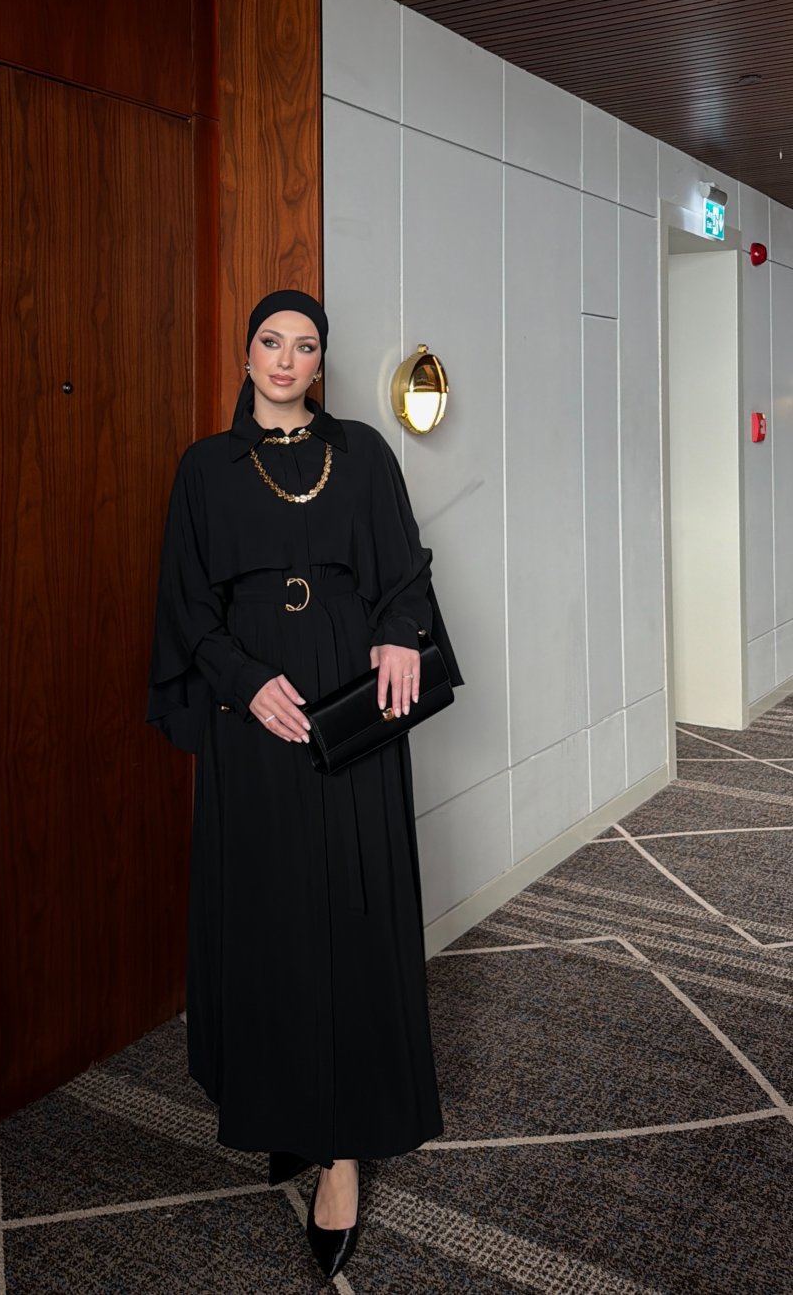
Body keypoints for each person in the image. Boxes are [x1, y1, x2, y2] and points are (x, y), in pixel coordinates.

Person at [146, 290, 462, 1281]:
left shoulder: (362, 454)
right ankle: (282, 1104)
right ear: (247, 354)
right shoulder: (204, 467)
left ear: (321, 362)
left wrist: (400, 633)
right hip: (256, 707)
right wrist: (242, 681)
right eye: (271, 342)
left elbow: (404, 570)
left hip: (348, 700)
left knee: (350, 909)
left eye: (306, 345)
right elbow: (184, 603)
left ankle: (342, 1149)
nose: (286, 359)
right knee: (269, 912)